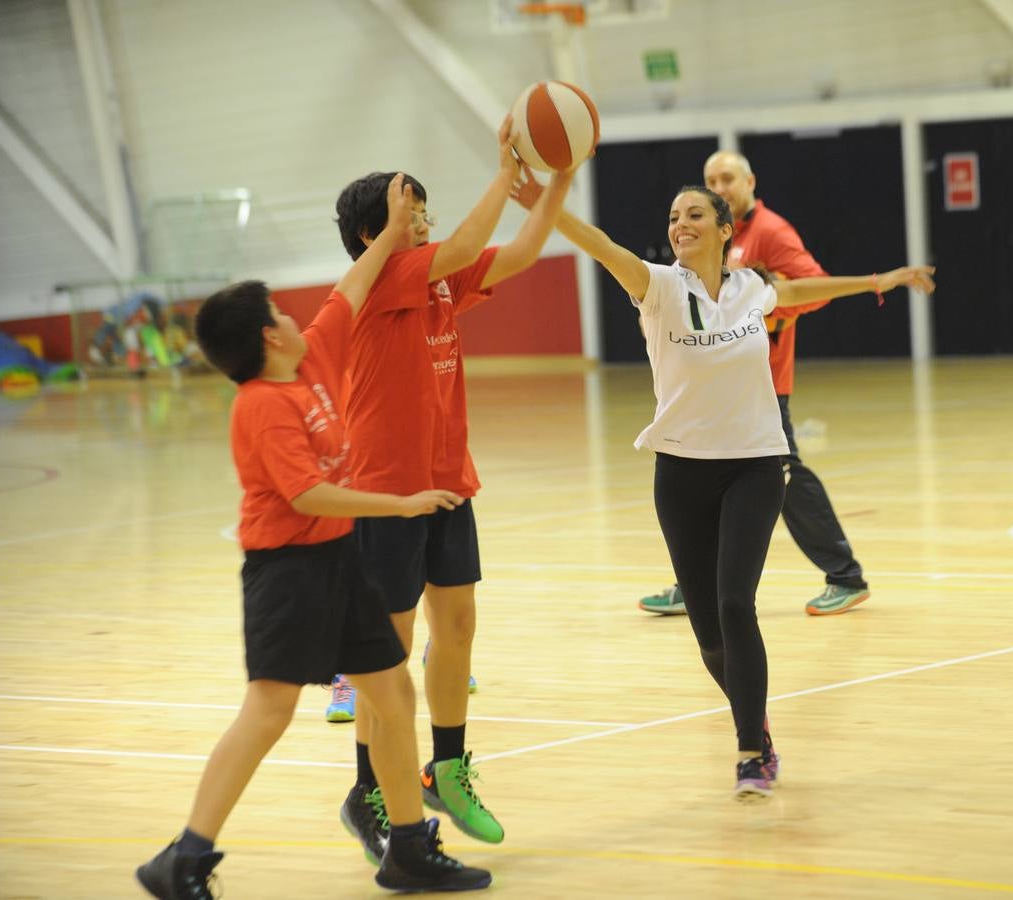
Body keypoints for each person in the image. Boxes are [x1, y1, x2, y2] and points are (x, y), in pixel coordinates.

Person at [514, 174, 933, 798]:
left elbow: (805, 289)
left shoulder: (752, 289)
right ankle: (755, 720)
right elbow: (600, 244)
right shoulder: (656, 288)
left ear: (723, 229)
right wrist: (549, 205)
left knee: (737, 603)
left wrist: (879, 281)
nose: (679, 225)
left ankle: (750, 752)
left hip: (755, 464)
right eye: (673, 216)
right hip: (680, 471)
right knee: (709, 632)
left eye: (694, 216)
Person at [136, 174, 491, 898]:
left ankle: (408, 849)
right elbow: (307, 493)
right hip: (288, 571)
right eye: (281, 312)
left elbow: (350, 292)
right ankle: (184, 857)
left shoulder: (314, 359)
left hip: (339, 559)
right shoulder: (262, 406)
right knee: (270, 709)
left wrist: (392, 232)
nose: (303, 314)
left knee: (391, 697)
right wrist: (401, 505)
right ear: (270, 335)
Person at [331, 134, 580, 860]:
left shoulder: (435, 280)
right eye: (410, 208)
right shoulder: (383, 278)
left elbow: (520, 252)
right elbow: (473, 237)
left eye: (423, 207)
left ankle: (444, 767)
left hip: (446, 481)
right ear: (372, 234)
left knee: (459, 627)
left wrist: (558, 180)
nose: (424, 218)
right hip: (386, 492)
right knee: (391, 655)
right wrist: (505, 175)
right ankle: (366, 792)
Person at [637, 150, 871, 617]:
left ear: (750, 182)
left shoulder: (770, 232)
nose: (718, 187)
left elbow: (810, 286)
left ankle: (844, 574)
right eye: (711, 180)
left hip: (757, 384)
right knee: (711, 476)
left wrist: (763, 323)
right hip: (710, 389)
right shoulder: (706, 237)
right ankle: (695, 580)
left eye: (727, 179)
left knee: (782, 476)